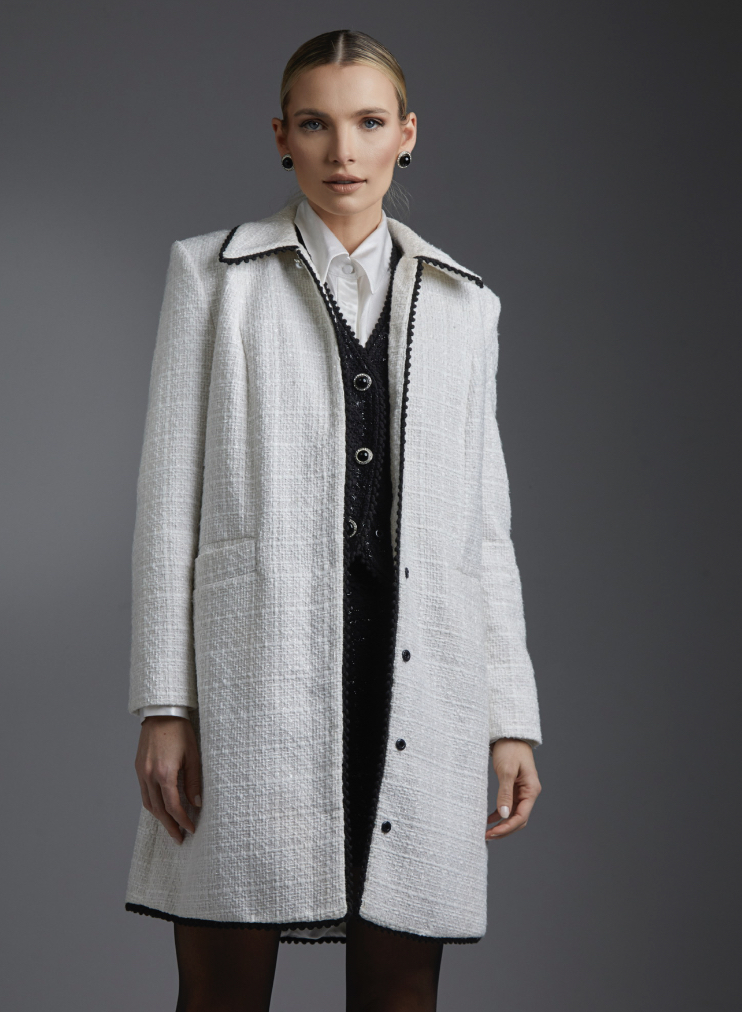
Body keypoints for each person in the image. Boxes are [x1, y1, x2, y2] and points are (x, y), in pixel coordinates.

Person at [126, 28, 543, 1012]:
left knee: (400, 987)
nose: (343, 152)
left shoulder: (464, 304)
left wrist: (508, 719)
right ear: (281, 137)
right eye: (315, 124)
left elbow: (485, 527)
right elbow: (166, 504)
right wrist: (165, 704)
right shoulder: (213, 276)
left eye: (367, 123)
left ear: (407, 134)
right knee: (220, 986)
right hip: (252, 676)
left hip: (420, 681)